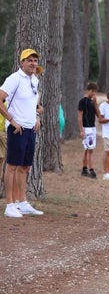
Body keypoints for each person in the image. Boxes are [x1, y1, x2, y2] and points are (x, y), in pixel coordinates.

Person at [0, 48, 43, 218]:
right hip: (17, 129)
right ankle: (9, 204)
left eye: (35, 60)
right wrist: (12, 121)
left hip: (30, 128)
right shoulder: (14, 79)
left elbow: (34, 103)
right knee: (12, 166)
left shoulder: (34, 80)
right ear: (22, 62)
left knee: (25, 166)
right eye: (29, 60)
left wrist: (37, 117)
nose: (33, 63)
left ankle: (22, 202)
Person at [77, 82, 100, 179]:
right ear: (88, 91)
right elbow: (80, 116)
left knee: (89, 149)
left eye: (95, 92)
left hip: (92, 127)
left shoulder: (92, 102)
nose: (94, 93)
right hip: (87, 128)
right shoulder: (83, 101)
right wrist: (81, 130)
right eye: (92, 91)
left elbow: (99, 115)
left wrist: (95, 104)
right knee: (89, 149)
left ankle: (85, 168)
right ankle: (91, 169)